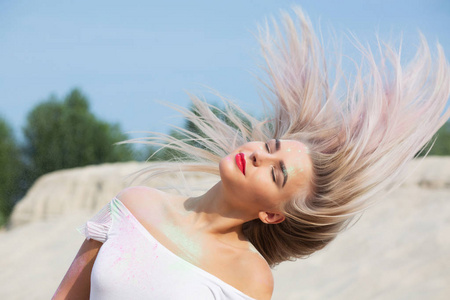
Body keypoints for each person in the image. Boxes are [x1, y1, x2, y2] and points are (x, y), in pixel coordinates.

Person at [53, 8, 450, 300]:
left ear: (273, 214)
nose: (259, 155)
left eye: (277, 174)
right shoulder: (134, 204)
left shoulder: (251, 278)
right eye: (271, 146)